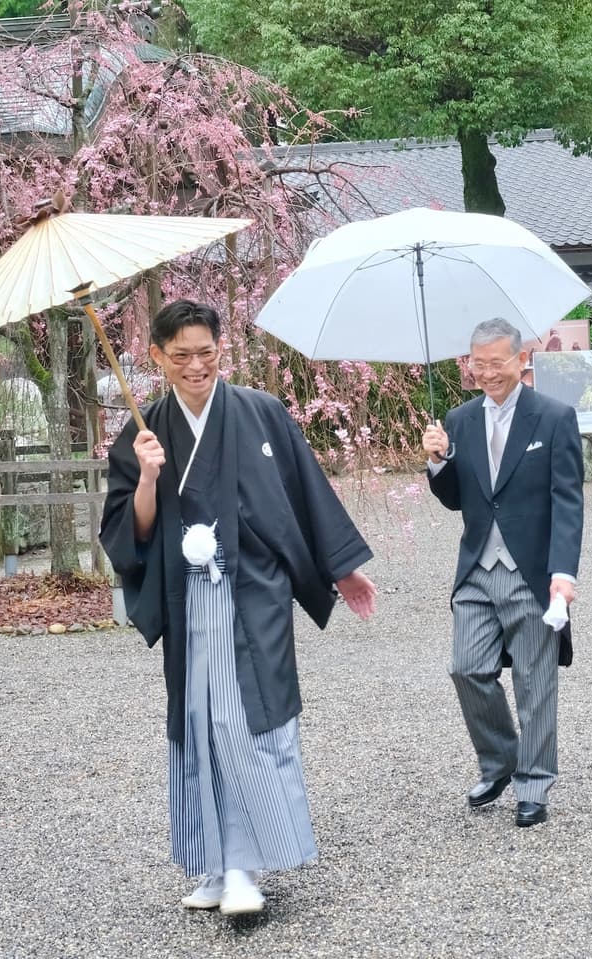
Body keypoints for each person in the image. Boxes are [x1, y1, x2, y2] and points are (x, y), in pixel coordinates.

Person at [100, 300, 378, 914]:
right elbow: (131, 533)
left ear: (221, 349)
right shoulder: (144, 431)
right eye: (180, 357)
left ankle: (243, 863)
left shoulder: (261, 412)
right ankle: (210, 862)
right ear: (156, 359)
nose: (196, 366)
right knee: (198, 722)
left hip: (254, 592)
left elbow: (305, 492)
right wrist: (146, 477)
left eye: (206, 353)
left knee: (247, 719)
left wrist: (343, 568)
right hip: (186, 598)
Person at [422, 318, 584, 828]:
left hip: (530, 569)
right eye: (479, 363)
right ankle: (500, 762)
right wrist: (438, 461)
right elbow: (455, 501)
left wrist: (563, 571)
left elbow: (568, 501)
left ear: (520, 360)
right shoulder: (460, 419)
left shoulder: (554, 417)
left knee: (535, 682)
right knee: (465, 668)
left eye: (498, 362)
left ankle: (534, 783)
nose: (488, 372)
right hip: (476, 568)